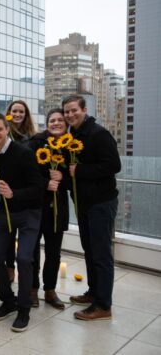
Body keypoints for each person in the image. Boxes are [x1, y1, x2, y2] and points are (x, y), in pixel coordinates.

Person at [62, 95, 121, 321]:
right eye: (66, 111)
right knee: (90, 251)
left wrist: (81, 171)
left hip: (101, 203)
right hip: (85, 203)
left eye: (74, 110)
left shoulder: (98, 134)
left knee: (101, 255)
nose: (70, 115)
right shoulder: (73, 136)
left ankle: (103, 305)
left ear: (84, 110)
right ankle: (94, 293)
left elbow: (113, 165)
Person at [0, 112, 43, 332]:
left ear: (7, 129)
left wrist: (13, 194)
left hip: (29, 211)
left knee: (24, 257)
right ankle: (8, 301)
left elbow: (37, 188)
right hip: (5, 211)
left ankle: (24, 308)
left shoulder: (23, 152)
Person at [27, 109, 69, 310]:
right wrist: (46, 183)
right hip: (36, 204)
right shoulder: (36, 142)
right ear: (47, 123)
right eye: (52, 120)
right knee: (32, 250)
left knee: (54, 251)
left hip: (57, 206)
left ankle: (50, 290)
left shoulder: (70, 145)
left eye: (60, 120)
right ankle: (32, 289)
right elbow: (27, 172)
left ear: (66, 123)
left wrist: (63, 178)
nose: (56, 123)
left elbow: (74, 176)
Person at [3, 100, 37, 283]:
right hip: (6, 191)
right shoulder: (3, 133)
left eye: (21, 111)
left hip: (27, 193)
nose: (17, 114)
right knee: (8, 236)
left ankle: (29, 281)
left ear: (26, 115)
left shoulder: (32, 137)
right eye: (14, 111)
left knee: (27, 244)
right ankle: (9, 267)